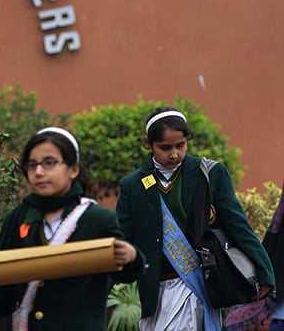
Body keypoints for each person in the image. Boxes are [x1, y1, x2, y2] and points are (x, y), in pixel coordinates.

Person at [0, 127, 143, 330]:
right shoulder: (18, 218)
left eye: (49, 163)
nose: (39, 172)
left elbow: (124, 275)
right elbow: (1, 289)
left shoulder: (97, 219)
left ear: (73, 169)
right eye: (32, 165)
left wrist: (132, 257)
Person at [117, 107, 274, 330]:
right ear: (147, 143)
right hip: (156, 293)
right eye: (165, 148)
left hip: (199, 287)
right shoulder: (132, 186)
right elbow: (123, 239)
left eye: (180, 146)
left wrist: (264, 271)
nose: (174, 154)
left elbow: (238, 225)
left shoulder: (209, 173)